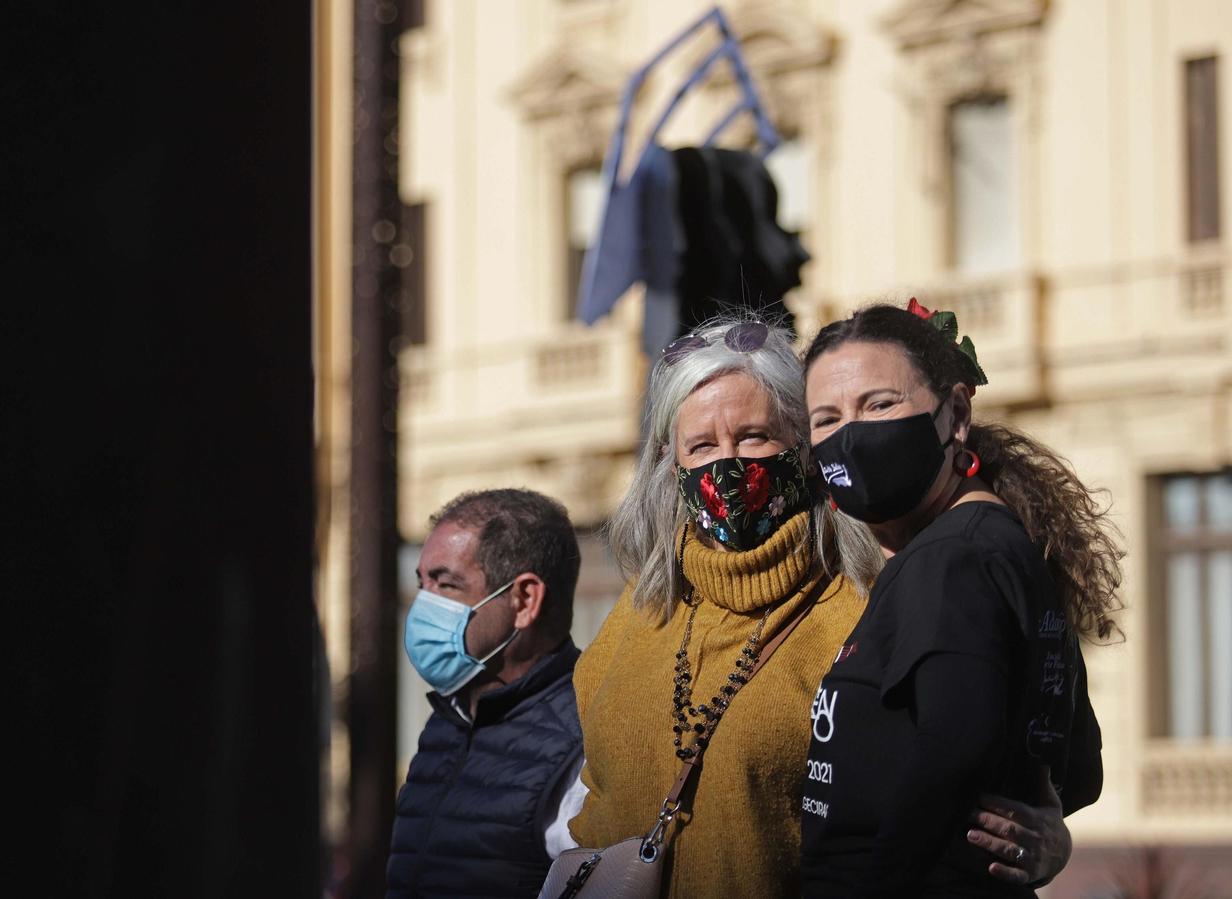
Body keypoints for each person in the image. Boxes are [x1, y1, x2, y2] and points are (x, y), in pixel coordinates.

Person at [566, 315, 1072, 897]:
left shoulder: (872, 598)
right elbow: (593, 794)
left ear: (805, 449)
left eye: (754, 436)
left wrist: (1048, 835)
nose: (727, 466)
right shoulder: (639, 608)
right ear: (669, 463)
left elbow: (1017, 748)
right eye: (701, 445)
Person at [798, 301, 1115, 898]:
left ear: (957, 413)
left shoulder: (950, 559)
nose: (851, 435)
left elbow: (954, 747)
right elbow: (1079, 771)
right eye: (826, 418)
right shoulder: (991, 545)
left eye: (880, 404)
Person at [387, 489, 586, 899]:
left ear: (524, 600)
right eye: (422, 582)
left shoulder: (585, 739)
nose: (423, 604)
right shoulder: (451, 717)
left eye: (446, 584)